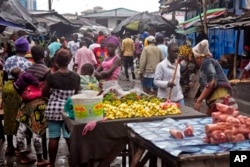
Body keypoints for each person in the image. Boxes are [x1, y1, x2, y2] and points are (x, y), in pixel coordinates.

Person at [42, 48, 81, 167]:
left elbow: (44, 93)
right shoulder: (75, 77)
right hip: (69, 111)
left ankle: (52, 164)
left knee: (53, 137)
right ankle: (74, 163)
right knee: (69, 137)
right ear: (69, 61)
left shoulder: (51, 76)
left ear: (56, 61)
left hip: (53, 109)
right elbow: (77, 93)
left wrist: (51, 100)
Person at [15, 45, 50, 166]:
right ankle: (40, 159)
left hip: (25, 102)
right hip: (39, 103)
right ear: (43, 55)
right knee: (38, 131)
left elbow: (19, 86)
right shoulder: (46, 71)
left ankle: (24, 156)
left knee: (21, 128)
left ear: (32, 56)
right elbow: (47, 89)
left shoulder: (28, 70)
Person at [2, 36, 32, 155]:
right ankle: (22, 146)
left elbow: (4, 75)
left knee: (9, 116)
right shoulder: (27, 63)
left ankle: (10, 146)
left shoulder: (9, 60)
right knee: (21, 117)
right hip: (20, 89)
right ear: (26, 50)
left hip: (8, 87)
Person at [192, 39, 238, 116]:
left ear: (199, 57)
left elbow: (211, 82)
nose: (196, 61)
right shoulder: (209, 62)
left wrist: (199, 100)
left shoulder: (207, 62)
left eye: (195, 57)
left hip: (222, 102)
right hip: (222, 102)